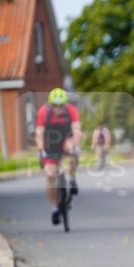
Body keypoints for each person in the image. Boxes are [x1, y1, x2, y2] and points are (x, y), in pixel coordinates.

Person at [35, 87, 82, 225]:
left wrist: (74, 144)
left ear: (65, 104)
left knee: (73, 153)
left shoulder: (71, 110)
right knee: (50, 175)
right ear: (50, 104)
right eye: (55, 106)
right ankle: (55, 208)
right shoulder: (44, 112)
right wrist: (41, 150)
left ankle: (72, 178)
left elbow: (77, 130)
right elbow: (39, 133)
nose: (58, 109)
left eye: (61, 106)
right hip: (50, 142)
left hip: (66, 139)